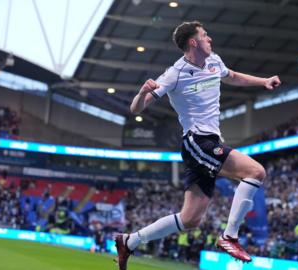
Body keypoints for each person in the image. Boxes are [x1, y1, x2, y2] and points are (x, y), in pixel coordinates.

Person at [115, 21, 281, 270]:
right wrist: (141, 93)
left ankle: (129, 241)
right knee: (255, 172)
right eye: (205, 35)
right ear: (193, 42)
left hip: (209, 141)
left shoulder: (214, 61)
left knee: (190, 219)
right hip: (196, 141)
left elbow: (233, 77)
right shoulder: (175, 73)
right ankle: (230, 236)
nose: (210, 38)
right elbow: (136, 108)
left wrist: (263, 81)